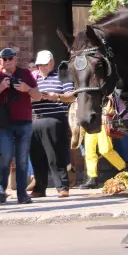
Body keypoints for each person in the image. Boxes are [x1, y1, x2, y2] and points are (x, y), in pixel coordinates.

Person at [0, 47, 40, 205]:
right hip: (4, 124)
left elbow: (37, 96)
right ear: (0, 61)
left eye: (10, 58)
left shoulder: (25, 74)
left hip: (24, 122)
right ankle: (1, 188)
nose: (8, 61)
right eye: (4, 59)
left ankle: (22, 194)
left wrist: (26, 89)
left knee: (22, 159)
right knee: (6, 156)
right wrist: (1, 87)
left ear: (16, 59)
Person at [30, 50, 73, 198]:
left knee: (55, 156)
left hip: (54, 118)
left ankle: (62, 186)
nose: (41, 67)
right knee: (36, 156)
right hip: (35, 119)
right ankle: (39, 188)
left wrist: (57, 97)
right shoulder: (33, 79)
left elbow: (72, 96)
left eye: (44, 64)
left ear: (52, 62)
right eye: (39, 64)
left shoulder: (62, 76)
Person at [78, 96, 127, 189]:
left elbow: (111, 97)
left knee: (105, 149)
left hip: (103, 121)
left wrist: (104, 113)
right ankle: (92, 178)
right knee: (89, 152)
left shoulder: (103, 85)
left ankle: (124, 167)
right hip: (90, 121)